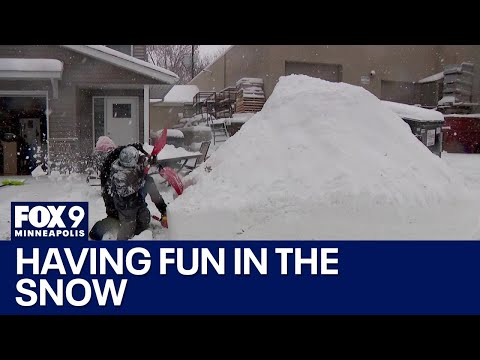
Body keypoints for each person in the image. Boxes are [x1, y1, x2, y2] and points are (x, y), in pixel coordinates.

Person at [89, 137, 167, 240]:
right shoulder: (111, 171)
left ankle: (160, 212)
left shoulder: (121, 161)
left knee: (148, 184)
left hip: (127, 211)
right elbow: (114, 195)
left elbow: (138, 161)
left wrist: (145, 158)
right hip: (119, 210)